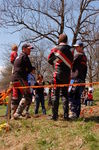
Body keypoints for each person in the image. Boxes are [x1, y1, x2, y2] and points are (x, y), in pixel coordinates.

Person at [48, 33, 73, 120]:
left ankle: (55, 116)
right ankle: (66, 116)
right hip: (67, 75)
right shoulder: (71, 49)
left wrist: (57, 59)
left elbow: (49, 60)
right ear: (66, 40)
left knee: (55, 94)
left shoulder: (55, 49)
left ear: (59, 40)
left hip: (57, 74)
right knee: (65, 94)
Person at [11, 43, 34, 119]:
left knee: (18, 97)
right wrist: (31, 69)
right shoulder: (25, 56)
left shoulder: (18, 56)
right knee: (28, 96)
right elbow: (30, 68)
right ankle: (17, 113)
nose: (30, 50)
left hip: (14, 79)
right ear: (24, 49)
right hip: (20, 78)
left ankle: (13, 114)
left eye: (30, 49)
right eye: (28, 49)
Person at [69, 42, 87, 119]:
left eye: (77, 47)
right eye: (75, 47)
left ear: (81, 47)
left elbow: (70, 63)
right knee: (77, 97)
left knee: (71, 95)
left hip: (75, 79)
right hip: (82, 79)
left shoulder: (78, 55)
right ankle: (77, 114)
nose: (76, 48)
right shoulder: (84, 57)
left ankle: (73, 113)